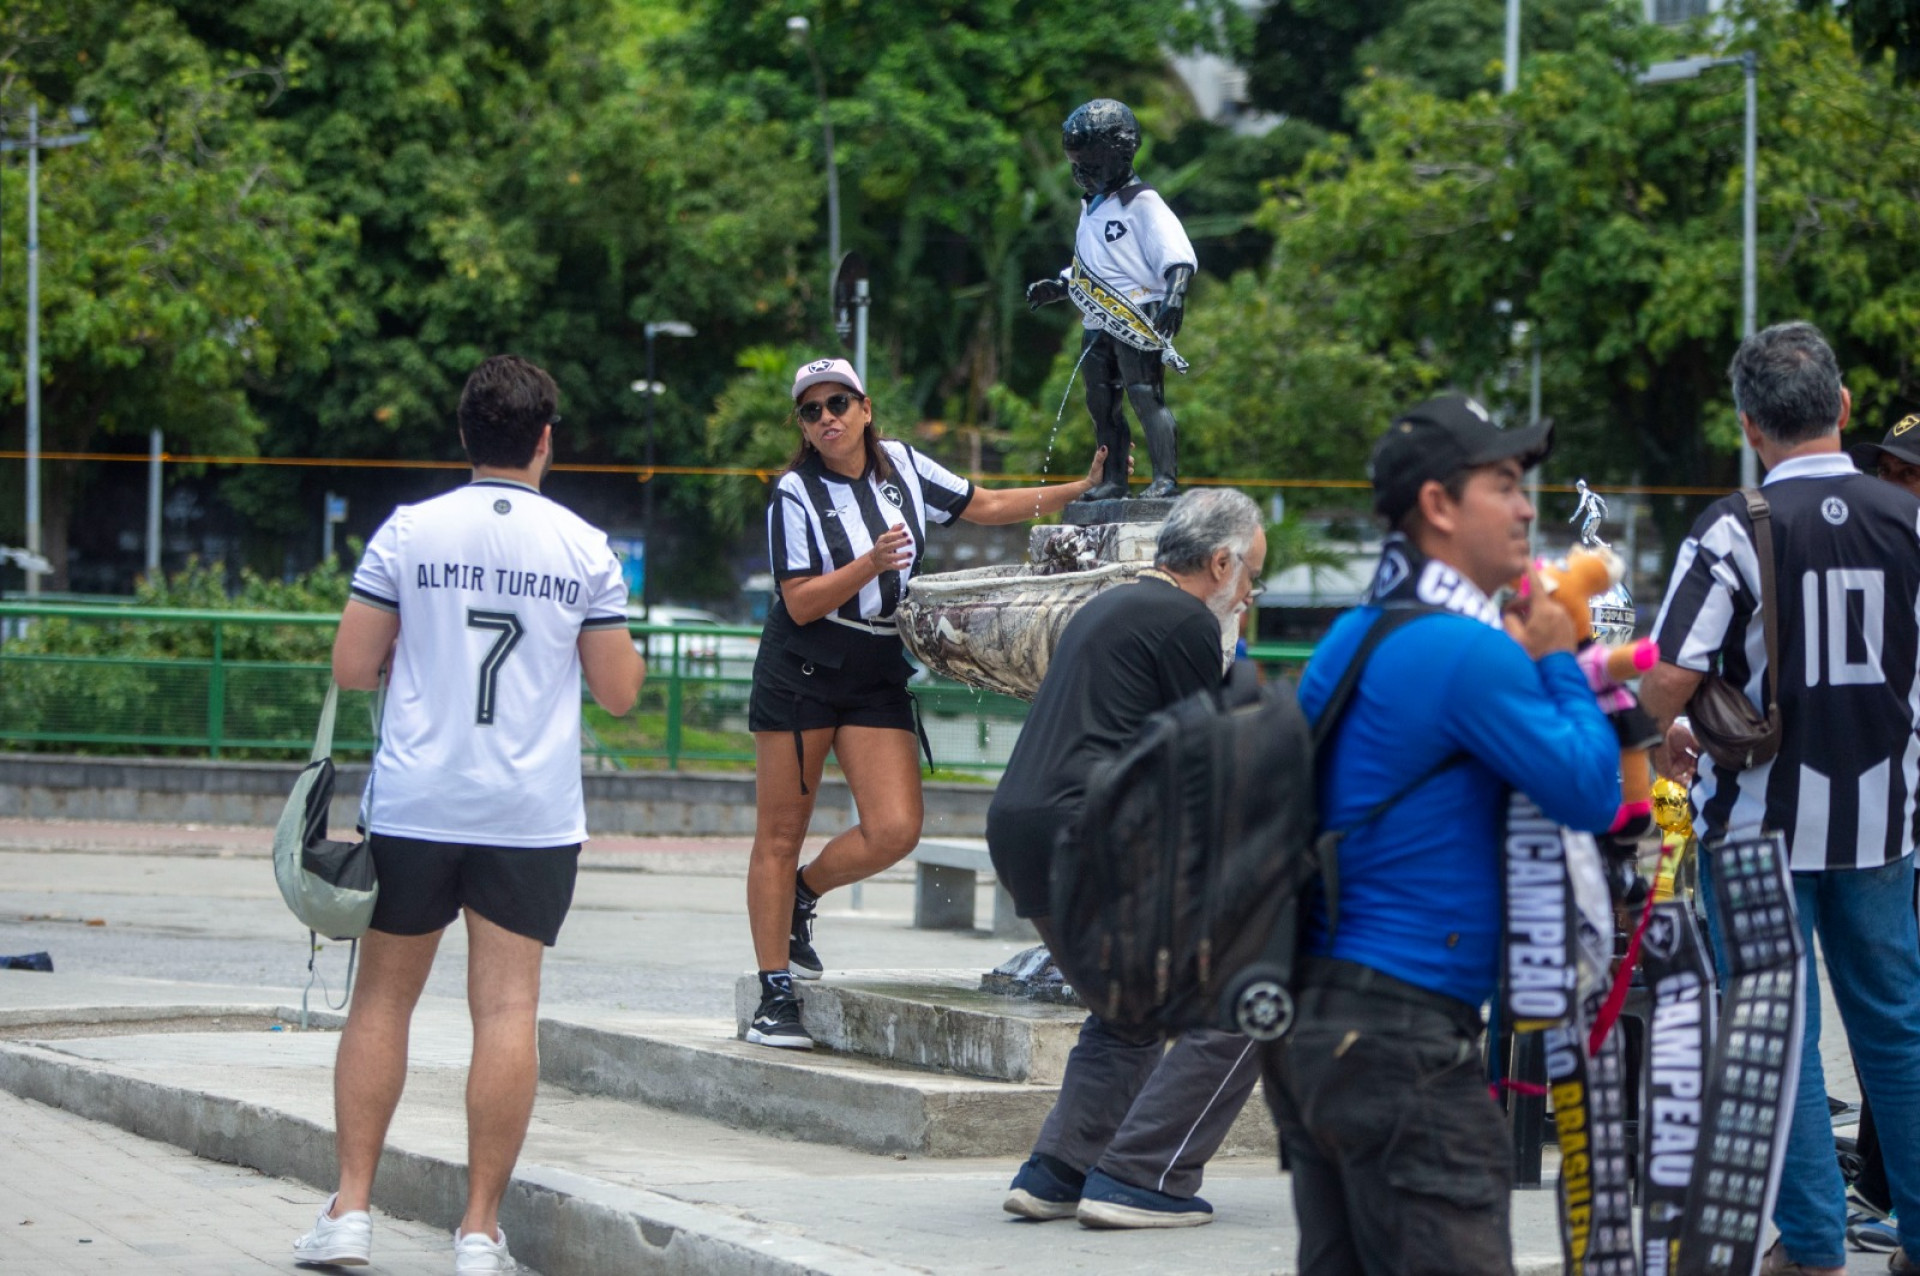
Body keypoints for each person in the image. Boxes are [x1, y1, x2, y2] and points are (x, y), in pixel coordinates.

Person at [293, 355, 644, 1274]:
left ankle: (351, 1212)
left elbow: (350, 666)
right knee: (506, 1012)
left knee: (382, 1002)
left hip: (416, 800)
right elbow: (618, 693)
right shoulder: (584, 548)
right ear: (544, 440)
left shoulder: (408, 533)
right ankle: (480, 1232)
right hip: (528, 814)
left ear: (465, 436)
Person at [1268, 393, 1621, 1274]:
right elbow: (1590, 788)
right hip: (1406, 1044)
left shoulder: (1354, 633)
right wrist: (1553, 656)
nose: (1528, 507)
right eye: (1503, 483)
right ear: (1438, 506)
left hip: (1317, 1031)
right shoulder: (1469, 651)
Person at [1641, 324, 1920, 1276]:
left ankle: (1811, 1245)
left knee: (1779, 1028)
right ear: (1844, 408)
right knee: (1898, 1028)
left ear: (1749, 424)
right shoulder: (1909, 518)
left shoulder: (1734, 526)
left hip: (1755, 828)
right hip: (1885, 818)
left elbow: (1672, 673)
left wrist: (1658, 732)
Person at [745, 356, 1113, 1049]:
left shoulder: (904, 467)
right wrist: (869, 565)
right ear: (802, 423)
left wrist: (1082, 488)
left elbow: (986, 505)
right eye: (811, 410)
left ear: (865, 408)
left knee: (896, 828)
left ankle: (802, 894)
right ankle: (774, 994)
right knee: (778, 831)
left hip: (876, 659)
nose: (826, 418)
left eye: (838, 403)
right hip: (802, 664)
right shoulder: (794, 493)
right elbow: (798, 600)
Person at [992, 489, 1266, 1229]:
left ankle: (1056, 1172)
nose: (1248, 597)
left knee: (1129, 1010)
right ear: (1219, 563)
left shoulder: (1112, 605)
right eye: (1250, 581)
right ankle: (1144, 1177)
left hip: (1024, 830)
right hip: (1090, 830)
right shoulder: (1181, 619)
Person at [1026, 98, 1195, 501]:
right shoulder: (1090, 209)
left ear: (1119, 156)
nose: (1082, 174)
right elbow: (1090, 266)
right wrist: (1058, 285)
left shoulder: (1143, 203)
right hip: (1096, 320)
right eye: (1076, 166)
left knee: (1144, 395)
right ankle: (1114, 479)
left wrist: (1175, 296)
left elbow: (1179, 256)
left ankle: (1165, 480)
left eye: (1092, 166)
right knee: (1101, 402)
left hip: (1138, 313)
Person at [1842, 409, 1920, 1252]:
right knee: (1891, 1008)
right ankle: (1878, 1180)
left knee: (1902, 1012)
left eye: (1907, 477)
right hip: (1894, 808)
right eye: (1889, 472)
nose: (1893, 488)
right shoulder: (1885, 556)